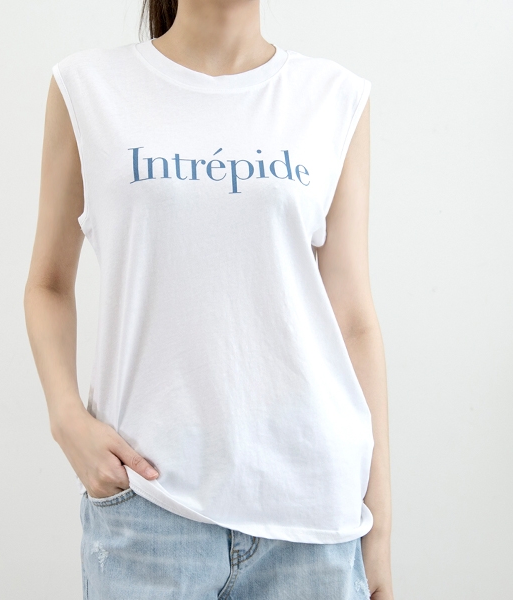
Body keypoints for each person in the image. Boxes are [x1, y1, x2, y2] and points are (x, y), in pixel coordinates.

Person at [24, 0, 394, 598]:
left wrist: (379, 533)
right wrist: (66, 418)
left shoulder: (334, 96)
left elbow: (353, 320)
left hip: (313, 516)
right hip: (149, 508)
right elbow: (47, 283)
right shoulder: (88, 88)